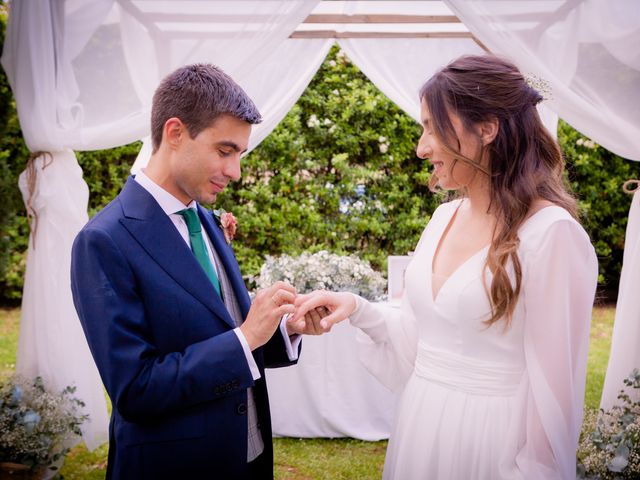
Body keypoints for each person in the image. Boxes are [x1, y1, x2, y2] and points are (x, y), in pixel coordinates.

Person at [293, 55, 598, 479]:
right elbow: (419, 337)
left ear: (487, 128)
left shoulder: (552, 235)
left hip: (492, 444)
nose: (421, 148)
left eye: (432, 128)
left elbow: (555, 396)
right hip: (421, 423)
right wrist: (357, 308)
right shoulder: (442, 219)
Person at [71, 64, 325, 480]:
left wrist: (284, 330)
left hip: (246, 458)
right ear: (175, 133)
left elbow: (218, 324)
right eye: (225, 151)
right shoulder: (103, 240)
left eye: (240, 155)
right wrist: (246, 337)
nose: (235, 172)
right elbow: (135, 389)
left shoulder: (204, 219)